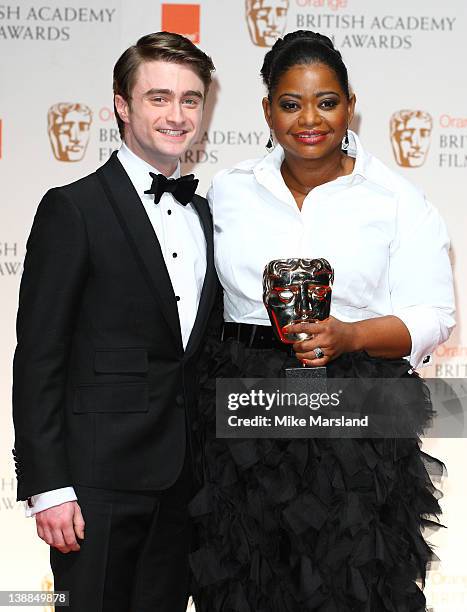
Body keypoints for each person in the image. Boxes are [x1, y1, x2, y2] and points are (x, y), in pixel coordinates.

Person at [189, 31, 455, 611]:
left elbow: (435, 316)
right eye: (290, 103)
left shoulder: (394, 198)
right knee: (244, 582)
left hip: (354, 416)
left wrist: (353, 335)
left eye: (326, 101)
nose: (309, 119)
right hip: (243, 417)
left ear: (350, 103)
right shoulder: (229, 192)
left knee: (350, 584)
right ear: (266, 110)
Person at [12, 32, 216, 612]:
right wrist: (47, 487)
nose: (176, 115)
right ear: (122, 107)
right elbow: (39, 358)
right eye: (158, 97)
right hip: (94, 487)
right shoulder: (71, 208)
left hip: (184, 485)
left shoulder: (204, 213)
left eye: (190, 99)